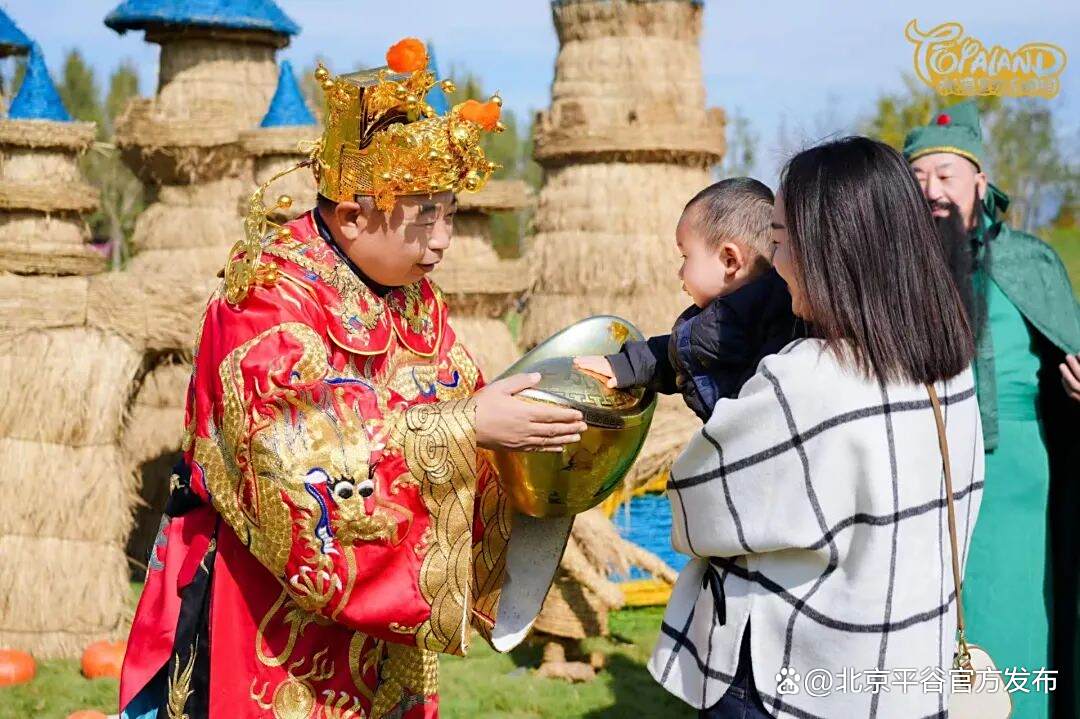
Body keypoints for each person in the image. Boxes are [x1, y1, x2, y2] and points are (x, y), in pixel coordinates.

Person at [118, 39, 588, 719]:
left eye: (449, 212)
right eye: (423, 217)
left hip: (383, 625)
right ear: (352, 216)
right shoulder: (266, 295)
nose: (442, 239)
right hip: (260, 602)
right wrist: (465, 426)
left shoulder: (410, 295)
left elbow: (456, 393)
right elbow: (287, 455)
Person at [649, 137, 983, 718]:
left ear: (829, 248)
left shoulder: (808, 378)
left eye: (779, 240)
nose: (773, 265)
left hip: (796, 680)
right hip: (906, 671)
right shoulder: (950, 366)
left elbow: (696, 508)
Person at [905, 100, 1080, 719]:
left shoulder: (1032, 261)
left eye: (946, 175)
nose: (932, 190)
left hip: (1017, 476)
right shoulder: (896, 271)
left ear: (980, 182)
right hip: (923, 471)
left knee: (1013, 618)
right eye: (918, 177)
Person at [574, 178, 802, 422]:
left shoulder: (781, 326)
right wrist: (623, 366)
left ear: (730, 260)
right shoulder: (719, 321)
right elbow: (675, 355)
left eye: (685, 257)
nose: (680, 272)